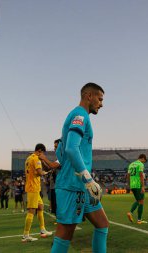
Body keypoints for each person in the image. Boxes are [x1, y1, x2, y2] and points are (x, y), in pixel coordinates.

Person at [51, 83, 108, 253]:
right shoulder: (80, 114)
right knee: (65, 233)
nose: (101, 104)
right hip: (72, 186)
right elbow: (70, 148)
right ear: (89, 96)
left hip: (80, 186)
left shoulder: (80, 115)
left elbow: (62, 152)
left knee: (102, 224)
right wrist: (88, 180)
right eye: (100, 98)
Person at [21, 143, 52, 242]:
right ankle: (25, 235)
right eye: (42, 153)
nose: (42, 155)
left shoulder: (29, 158)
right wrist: (46, 172)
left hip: (34, 187)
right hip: (33, 187)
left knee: (41, 207)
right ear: (40, 151)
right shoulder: (36, 158)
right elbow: (39, 172)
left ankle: (42, 230)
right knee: (31, 211)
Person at [39, 139, 61, 217]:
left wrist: (44, 158)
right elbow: (48, 168)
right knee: (55, 208)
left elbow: (52, 165)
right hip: (55, 187)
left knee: (60, 209)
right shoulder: (58, 159)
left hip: (62, 188)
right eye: (54, 147)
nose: (54, 149)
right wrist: (42, 161)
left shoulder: (63, 157)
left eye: (56, 147)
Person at [126, 154, 148, 224]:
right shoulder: (140, 164)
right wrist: (143, 186)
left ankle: (138, 219)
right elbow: (141, 175)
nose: (144, 162)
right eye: (144, 161)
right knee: (141, 201)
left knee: (138, 200)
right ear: (143, 158)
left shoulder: (131, 164)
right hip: (138, 185)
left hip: (132, 185)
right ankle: (134, 215)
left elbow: (128, 175)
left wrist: (129, 185)